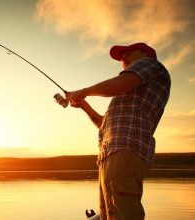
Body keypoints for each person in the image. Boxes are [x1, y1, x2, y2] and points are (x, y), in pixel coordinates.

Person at [64, 43, 171, 219]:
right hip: (113, 153)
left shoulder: (150, 64)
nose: (124, 58)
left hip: (125, 149)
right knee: (110, 214)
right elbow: (103, 125)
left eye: (128, 53)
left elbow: (120, 83)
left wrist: (83, 92)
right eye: (121, 57)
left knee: (122, 212)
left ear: (145, 53)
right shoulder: (131, 92)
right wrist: (83, 105)